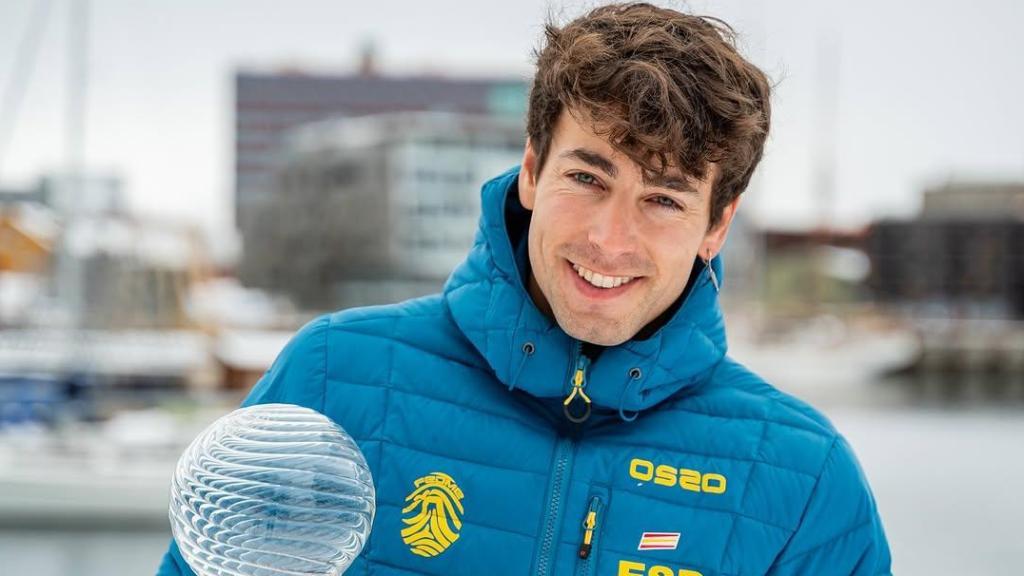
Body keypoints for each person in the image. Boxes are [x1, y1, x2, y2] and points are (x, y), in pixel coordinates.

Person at [158, 3, 891, 575]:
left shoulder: (803, 480)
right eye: (588, 177)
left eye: (663, 199)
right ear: (533, 171)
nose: (610, 239)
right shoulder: (332, 379)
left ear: (717, 225)